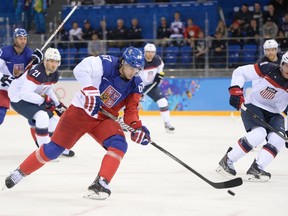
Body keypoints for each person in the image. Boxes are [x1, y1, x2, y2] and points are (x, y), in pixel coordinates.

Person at [4, 46, 151, 201]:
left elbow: (131, 111)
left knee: (119, 144)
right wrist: (90, 90)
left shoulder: (137, 83)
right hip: (81, 111)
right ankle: (20, 172)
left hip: (104, 119)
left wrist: (137, 128)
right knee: (54, 150)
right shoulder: (107, 64)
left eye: (137, 69)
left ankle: (101, 183)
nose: (133, 72)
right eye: (131, 68)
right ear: (123, 62)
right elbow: (80, 69)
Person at [216, 51, 288, 182]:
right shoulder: (268, 68)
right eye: (287, 65)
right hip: (254, 105)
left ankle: (257, 168)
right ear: (281, 64)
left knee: (279, 139)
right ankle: (227, 160)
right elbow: (240, 72)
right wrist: (235, 91)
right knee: (258, 134)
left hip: (276, 113)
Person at [8, 47, 75, 157]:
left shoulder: (54, 74)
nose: (54, 64)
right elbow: (25, 94)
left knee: (54, 122)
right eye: (51, 61)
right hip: (18, 98)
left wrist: (58, 104)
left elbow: (48, 89)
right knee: (42, 117)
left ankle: (59, 148)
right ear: (45, 61)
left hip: (31, 96)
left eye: (56, 61)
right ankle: (45, 152)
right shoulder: (37, 72)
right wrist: (44, 100)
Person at [0, 28, 43, 126]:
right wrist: (3, 77)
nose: (23, 41)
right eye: (20, 38)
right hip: (4, 88)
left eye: (25, 38)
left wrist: (37, 63)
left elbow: (32, 74)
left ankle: (41, 139)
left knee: (34, 117)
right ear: (14, 39)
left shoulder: (29, 53)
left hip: (18, 89)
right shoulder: (4, 51)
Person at [140, 43, 175, 133]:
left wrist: (159, 77)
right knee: (129, 104)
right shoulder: (140, 60)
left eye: (152, 52)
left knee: (163, 102)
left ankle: (167, 123)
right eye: (148, 52)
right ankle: (122, 121)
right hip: (138, 85)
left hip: (151, 86)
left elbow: (160, 72)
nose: (150, 54)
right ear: (144, 52)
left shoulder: (158, 60)